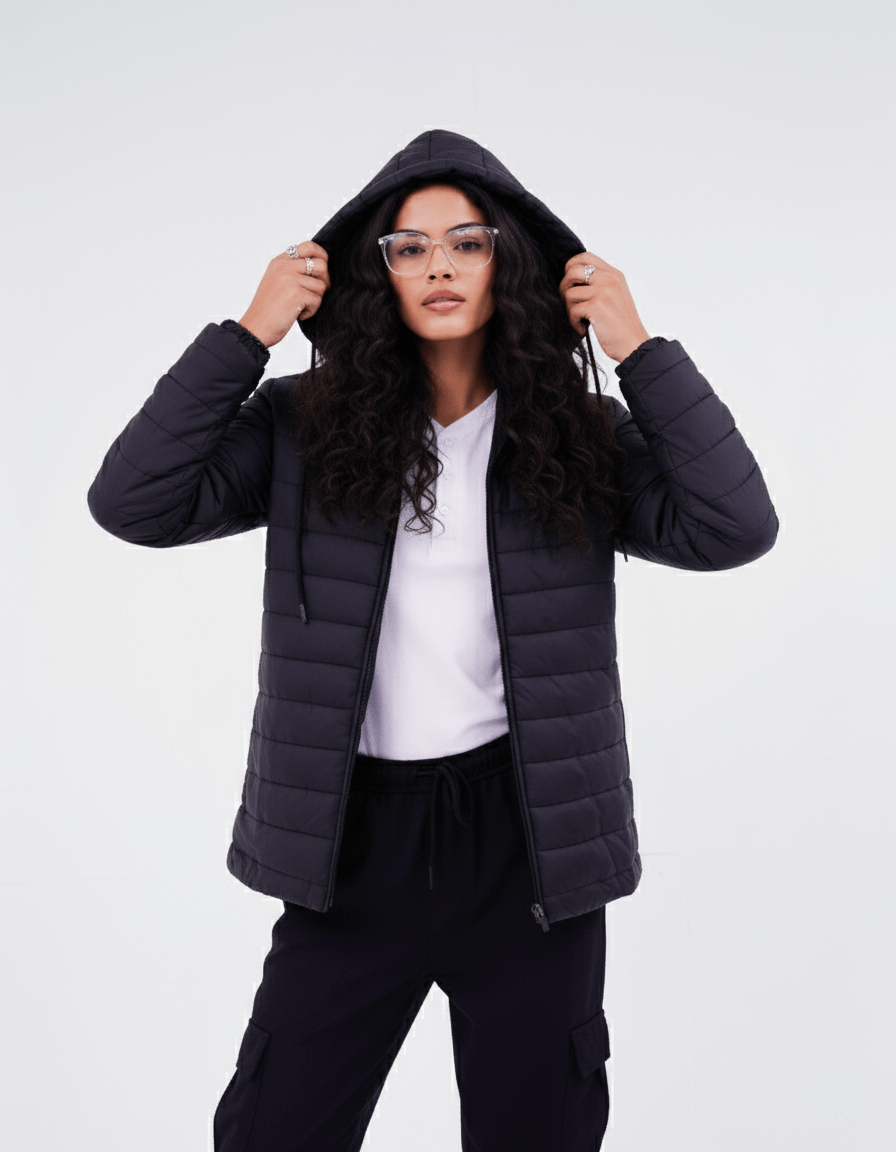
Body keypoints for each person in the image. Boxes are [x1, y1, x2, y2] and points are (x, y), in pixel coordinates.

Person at [87, 129, 778, 1151]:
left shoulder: (579, 434)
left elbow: (734, 527)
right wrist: (246, 334)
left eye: (467, 242)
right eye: (409, 248)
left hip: (528, 848)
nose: (440, 266)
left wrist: (639, 349)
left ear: (512, 263)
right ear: (375, 274)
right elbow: (132, 503)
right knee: (273, 1129)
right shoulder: (302, 428)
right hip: (353, 843)